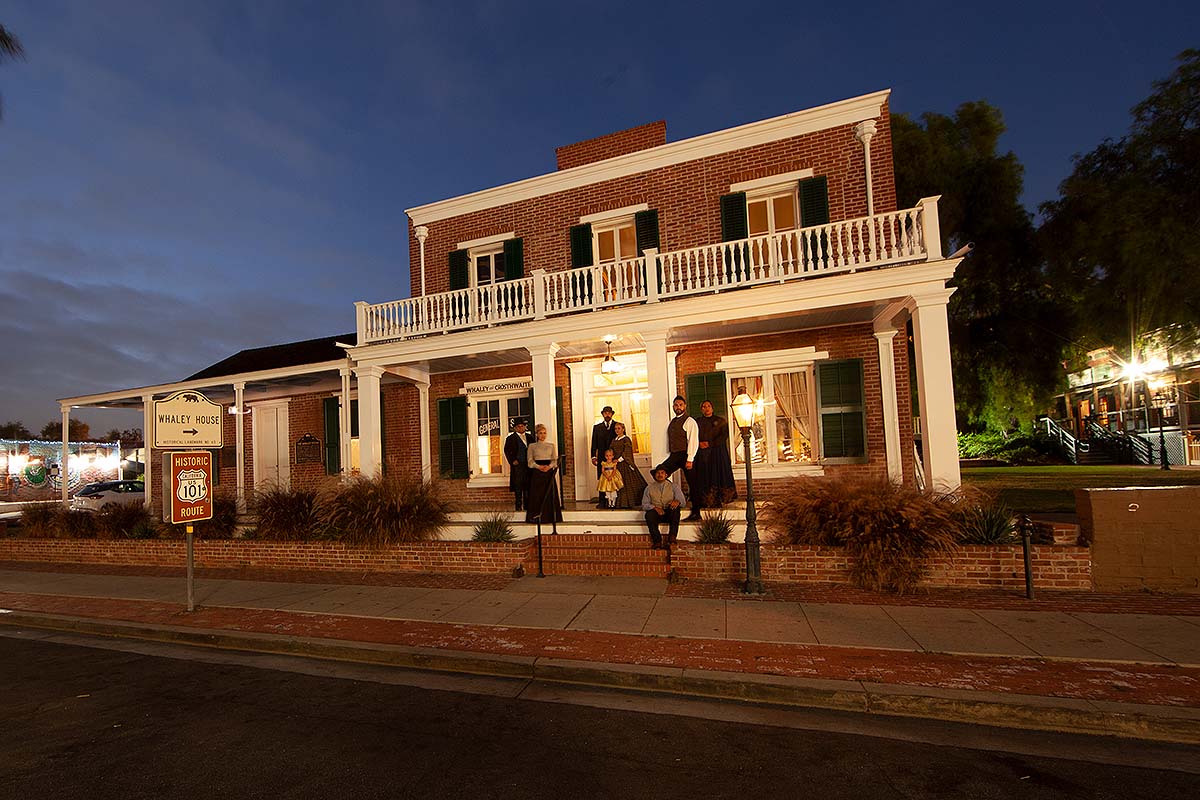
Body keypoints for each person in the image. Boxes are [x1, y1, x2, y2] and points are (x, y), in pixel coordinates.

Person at [656, 395, 701, 521]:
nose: (678, 407)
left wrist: (690, 458)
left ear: (685, 406)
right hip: (675, 455)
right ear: (673, 407)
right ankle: (665, 504)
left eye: (680, 405)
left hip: (686, 454)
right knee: (660, 472)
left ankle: (696, 512)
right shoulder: (673, 421)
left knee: (693, 484)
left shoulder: (689, 421)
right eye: (676, 405)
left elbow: (693, 440)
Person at [697, 400, 737, 507]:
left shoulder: (720, 421)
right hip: (703, 455)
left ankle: (721, 498)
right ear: (701, 409)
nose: (707, 408)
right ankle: (707, 499)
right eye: (704, 406)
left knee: (718, 474)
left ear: (712, 408)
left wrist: (710, 443)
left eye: (709, 406)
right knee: (705, 475)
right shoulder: (697, 422)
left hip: (717, 453)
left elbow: (724, 436)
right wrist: (699, 444)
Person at [526, 423, 563, 525]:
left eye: (544, 433)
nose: (543, 435)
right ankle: (536, 517)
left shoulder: (551, 446)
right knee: (537, 495)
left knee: (549, 495)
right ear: (537, 434)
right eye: (540, 433)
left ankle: (551, 517)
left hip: (548, 472)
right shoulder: (532, 446)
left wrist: (549, 467)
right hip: (537, 473)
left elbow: (555, 461)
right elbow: (529, 461)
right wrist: (539, 467)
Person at [642, 466, 685, 549]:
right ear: (654, 475)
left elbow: (683, 502)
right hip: (657, 514)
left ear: (666, 475)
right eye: (658, 473)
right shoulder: (649, 488)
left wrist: (677, 501)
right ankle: (657, 541)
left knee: (675, 509)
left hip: (670, 513)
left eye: (662, 473)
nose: (660, 475)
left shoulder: (674, 486)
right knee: (649, 515)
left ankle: (672, 538)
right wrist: (655, 508)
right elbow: (644, 504)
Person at [609, 421, 646, 509]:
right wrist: (611, 459)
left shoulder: (626, 439)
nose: (617, 430)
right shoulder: (614, 440)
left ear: (623, 429)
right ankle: (617, 503)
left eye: (619, 428)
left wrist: (619, 459)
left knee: (627, 483)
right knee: (617, 483)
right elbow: (611, 450)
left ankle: (630, 502)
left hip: (624, 463)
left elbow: (627, 451)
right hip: (615, 464)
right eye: (615, 429)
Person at [502, 419, 533, 511]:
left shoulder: (530, 437)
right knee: (518, 485)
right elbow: (507, 451)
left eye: (522, 426)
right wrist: (512, 461)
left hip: (528, 464)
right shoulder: (510, 438)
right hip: (518, 465)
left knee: (528, 486)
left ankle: (527, 506)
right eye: (518, 426)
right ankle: (518, 505)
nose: (521, 428)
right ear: (515, 428)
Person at [590, 405, 617, 502]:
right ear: (602, 414)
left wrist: (618, 457)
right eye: (605, 413)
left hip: (614, 457)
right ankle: (602, 502)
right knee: (602, 478)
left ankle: (615, 502)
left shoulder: (618, 426)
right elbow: (594, 443)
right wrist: (593, 457)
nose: (607, 414)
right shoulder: (597, 427)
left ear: (612, 414)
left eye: (609, 413)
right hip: (601, 457)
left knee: (615, 478)